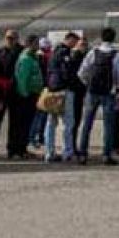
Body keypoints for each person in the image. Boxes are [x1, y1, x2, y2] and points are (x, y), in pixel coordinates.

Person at [76, 27, 119, 166]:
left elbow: (82, 72)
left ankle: (83, 153)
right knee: (108, 125)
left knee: (87, 123)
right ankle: (106, 154)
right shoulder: (117, 55)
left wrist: (88, 83)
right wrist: (117, 87)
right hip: (108, 92)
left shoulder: (93, 52)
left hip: (92, 91)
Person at [43, 32, 82, 162]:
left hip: (51, 89)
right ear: (69, 40)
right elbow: (67, 72)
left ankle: (49, 151)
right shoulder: (65, 53)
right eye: (74, 41)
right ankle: (67, 152)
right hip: (64, 90)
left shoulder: (53, 53)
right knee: (68, 123)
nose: (75, 44)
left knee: (51, 123)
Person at [0, 29, 22, 157]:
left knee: (15, 121)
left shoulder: (21, 52)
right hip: (1, 91)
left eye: (12, 38)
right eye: (8, 38)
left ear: (17, 38)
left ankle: (12, 148)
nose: (10, 40)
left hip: (16, 91)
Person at [9, 36, 45, 159]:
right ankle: (17, 150)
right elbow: (22, 78)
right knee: (21, 124)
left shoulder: (33, 57)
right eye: (36, 43)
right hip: (25, 96)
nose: (38, 46)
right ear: (30, 44)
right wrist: (24, 94)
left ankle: (22, 148)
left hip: (32, 94)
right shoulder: (26, 59)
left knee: (27, 124)